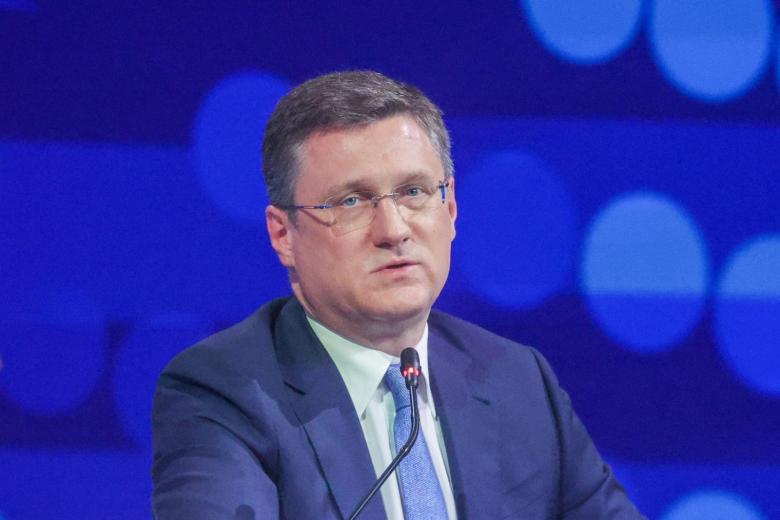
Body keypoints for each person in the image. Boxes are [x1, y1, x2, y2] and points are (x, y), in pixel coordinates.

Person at [151, 70, 644, 519]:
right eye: (351, 201)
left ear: (450, 207)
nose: (393, 230)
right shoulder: (225, 394)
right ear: (283, 234)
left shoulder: (517, 380)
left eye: (413, 192)